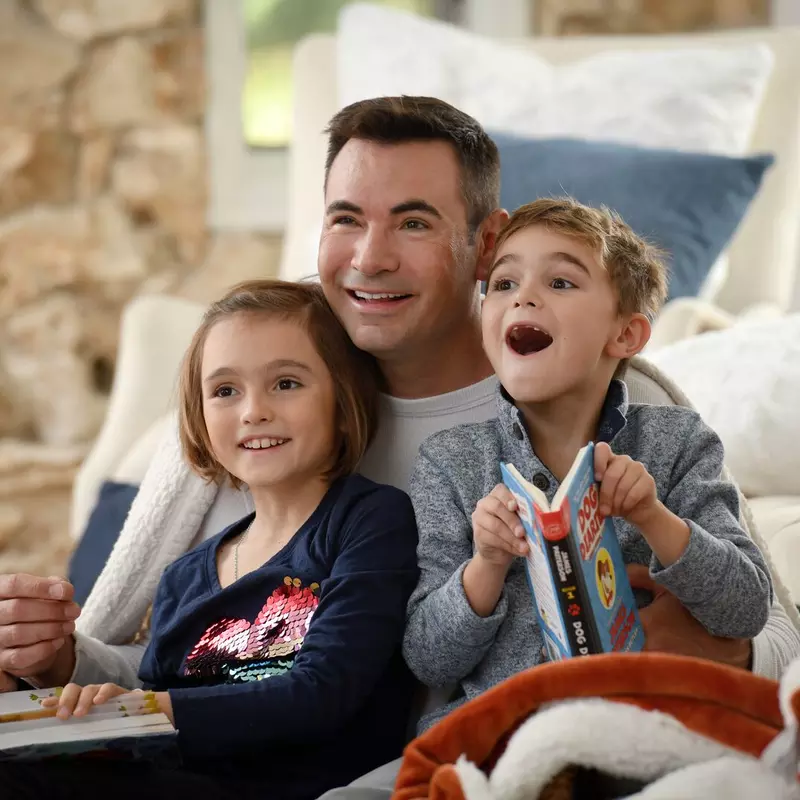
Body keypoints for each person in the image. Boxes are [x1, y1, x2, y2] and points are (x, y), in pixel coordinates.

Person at [0, 97, 796, 797]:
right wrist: (61, 660)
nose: (370, 257)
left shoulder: (610, 399)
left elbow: (779, 631)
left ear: (484, 244)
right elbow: (155, 649)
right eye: (346, 218)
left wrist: (724, 649)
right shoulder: (256, 399)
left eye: (413, 222)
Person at [0, 280, 418, 800]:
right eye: (225, 391)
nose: (253, 411)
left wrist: (145, 710)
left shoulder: (367, 520)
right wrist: (98, 712)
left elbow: (324, 691)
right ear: (198, 418)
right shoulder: (184, 575)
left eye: (286, 383)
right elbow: (151, 713)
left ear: (343, 398)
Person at [403, 197, 773, 730]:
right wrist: (485, 564)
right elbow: (428, 657)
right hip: (504, 732)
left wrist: (654, 518)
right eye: (503, 284)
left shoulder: (678, 440)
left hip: (644, 720)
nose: (522, 297)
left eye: (560, 283)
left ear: (625, 334)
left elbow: (746, 609)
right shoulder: (451, 462)